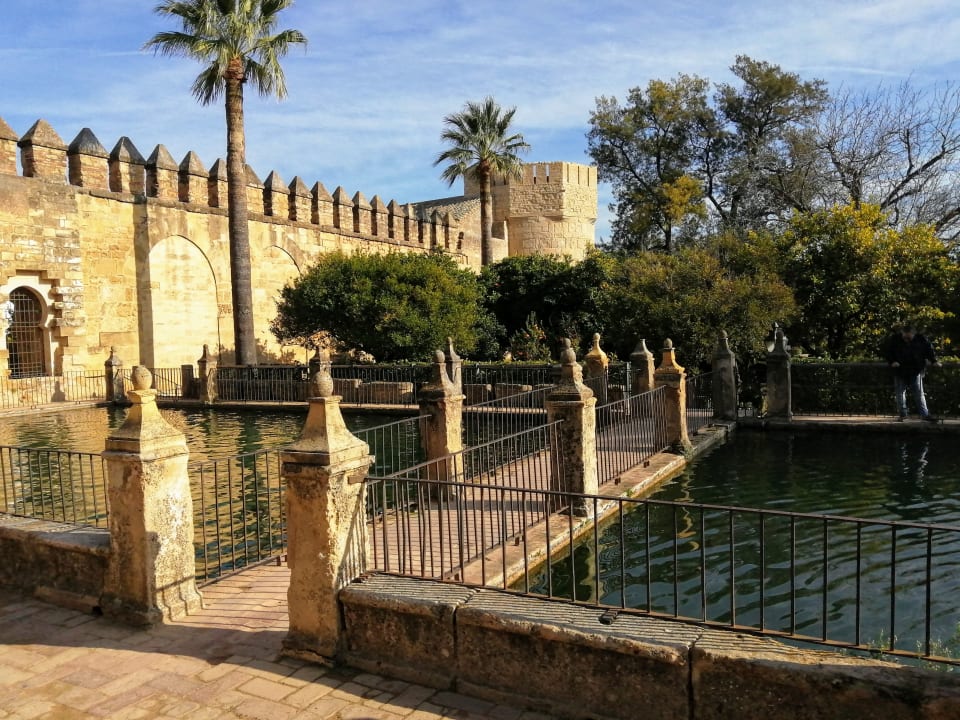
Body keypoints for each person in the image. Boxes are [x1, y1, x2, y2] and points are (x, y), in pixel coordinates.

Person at [882, 324, 941, 421]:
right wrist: (892, 361)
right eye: (904, 336)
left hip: (915, 370)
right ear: (902, 333)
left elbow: (929, 351)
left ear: (913, 334)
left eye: (908, 337)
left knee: (919, 394)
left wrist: (934, 361)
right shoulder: (895, 339)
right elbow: (888, 352)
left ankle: (925, 415)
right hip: (900, 370)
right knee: (900, 394)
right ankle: (903, 414)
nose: (906, 339)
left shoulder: (921, 339)